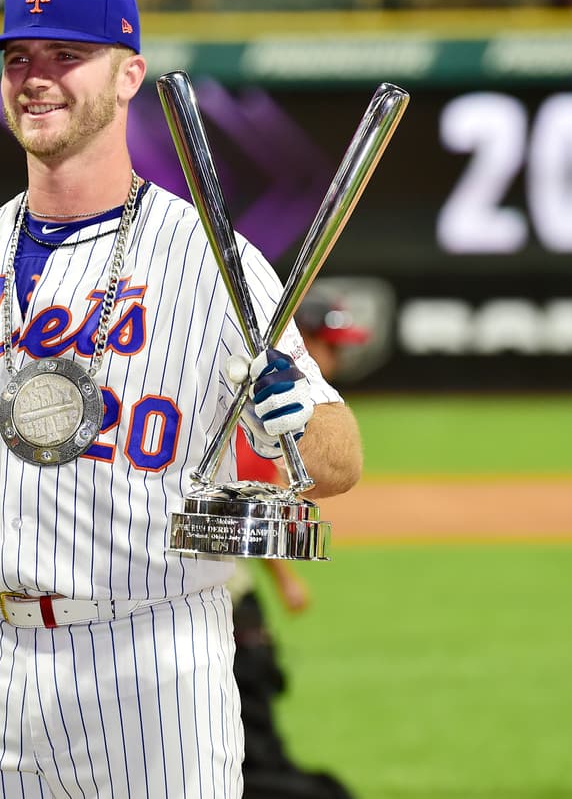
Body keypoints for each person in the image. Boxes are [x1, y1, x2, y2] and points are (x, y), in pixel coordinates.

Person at [0, 0, 363, 796]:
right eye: (18, 58)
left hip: (154, 663)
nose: (37, 80)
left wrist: (286, 424)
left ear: (129, 72)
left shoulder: (212, 261)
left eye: (68, 55)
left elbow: (338, 459)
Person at [230, 289, 370, 799]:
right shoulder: (263, 403)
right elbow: (244, 511)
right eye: (331, 346)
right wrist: (287, 579)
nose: (337, 358)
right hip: (210, 589)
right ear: (304, 343)